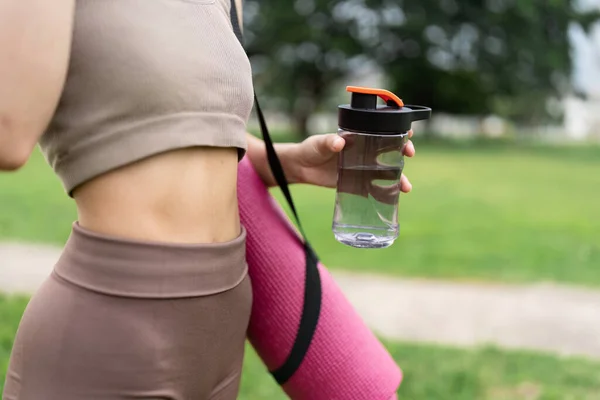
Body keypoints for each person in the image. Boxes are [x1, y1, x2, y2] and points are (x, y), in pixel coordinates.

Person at [0, 1, 415, 399]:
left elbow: (195, 121)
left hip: (222, 320)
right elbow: (9, 134)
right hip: (117, 319)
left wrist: (288, 162)